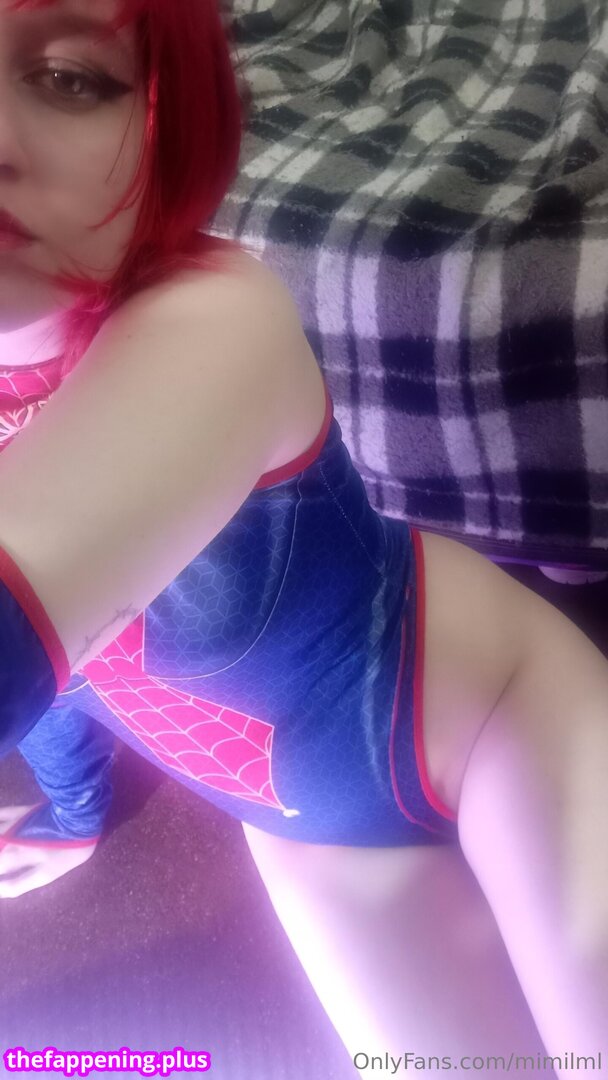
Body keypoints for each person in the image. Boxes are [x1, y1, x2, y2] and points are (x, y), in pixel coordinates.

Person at [0, 1, 606, 1075]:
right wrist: (75, 811)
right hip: (314, 833)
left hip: (496, 715)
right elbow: (69, 662)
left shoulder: (215, 313)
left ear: (165, 128)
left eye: (68, 78)